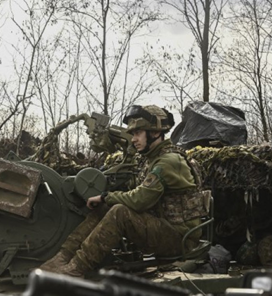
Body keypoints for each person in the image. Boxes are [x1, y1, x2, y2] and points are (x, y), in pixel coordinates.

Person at [40, 105, 209, 277]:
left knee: (119, 212)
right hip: (165, 229)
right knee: (104, 207)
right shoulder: (153, 159)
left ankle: (76, 268)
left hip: (180, 238)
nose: (133, 139)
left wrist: (107, 196)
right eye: (133, 134)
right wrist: (106, 199)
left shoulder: (168, 161)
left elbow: (140, 200)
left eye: (138, 133)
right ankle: (62, 257)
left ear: (155, 133)